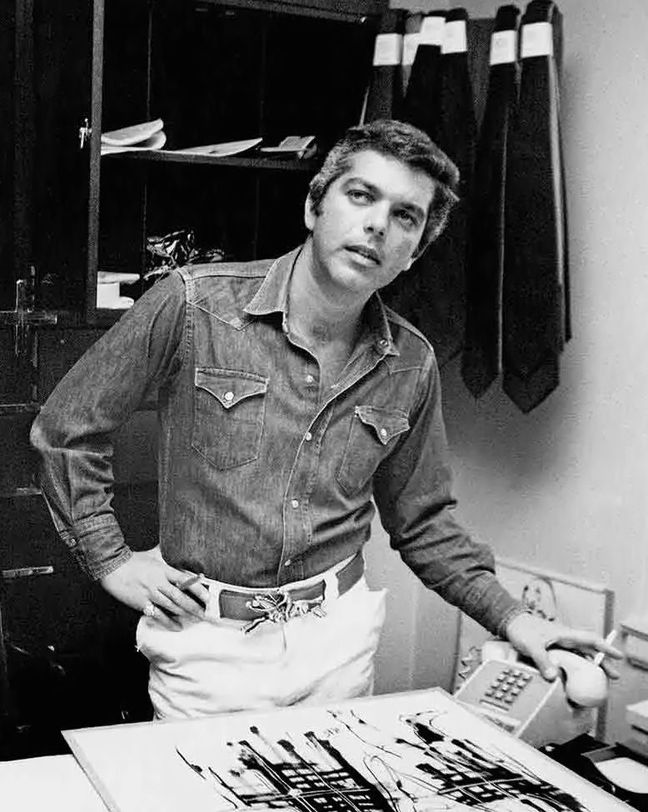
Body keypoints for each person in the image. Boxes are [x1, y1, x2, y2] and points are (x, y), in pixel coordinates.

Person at [30, 120, 620, 719]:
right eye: (361, 196)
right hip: (207, 649)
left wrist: (517, 620)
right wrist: (110, 558)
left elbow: (423, 523)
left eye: (405, 216)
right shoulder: (192, 305)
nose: (378, 225)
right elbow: (66, 429)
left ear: (414, 253)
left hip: (339, 646)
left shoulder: (411, 363)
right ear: (315, 205)